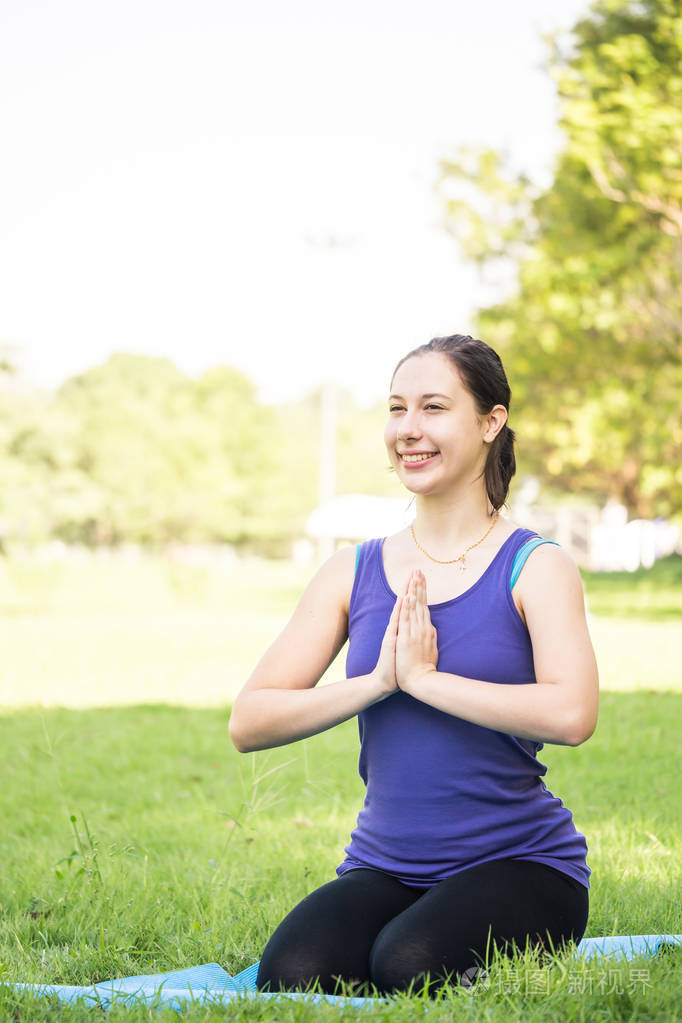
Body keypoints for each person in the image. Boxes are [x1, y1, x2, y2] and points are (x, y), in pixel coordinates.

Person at [229, 334, 599, 996]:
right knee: (289, 974)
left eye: (432, 407)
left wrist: (428, 682)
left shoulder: (536, 565)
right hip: (388, 864)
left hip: (523, 864)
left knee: (409, 964)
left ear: (491, 422)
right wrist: (376, 682)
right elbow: (249, 720)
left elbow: (573, 714)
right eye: (397, 409)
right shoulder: (353, 569)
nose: (408, 430)